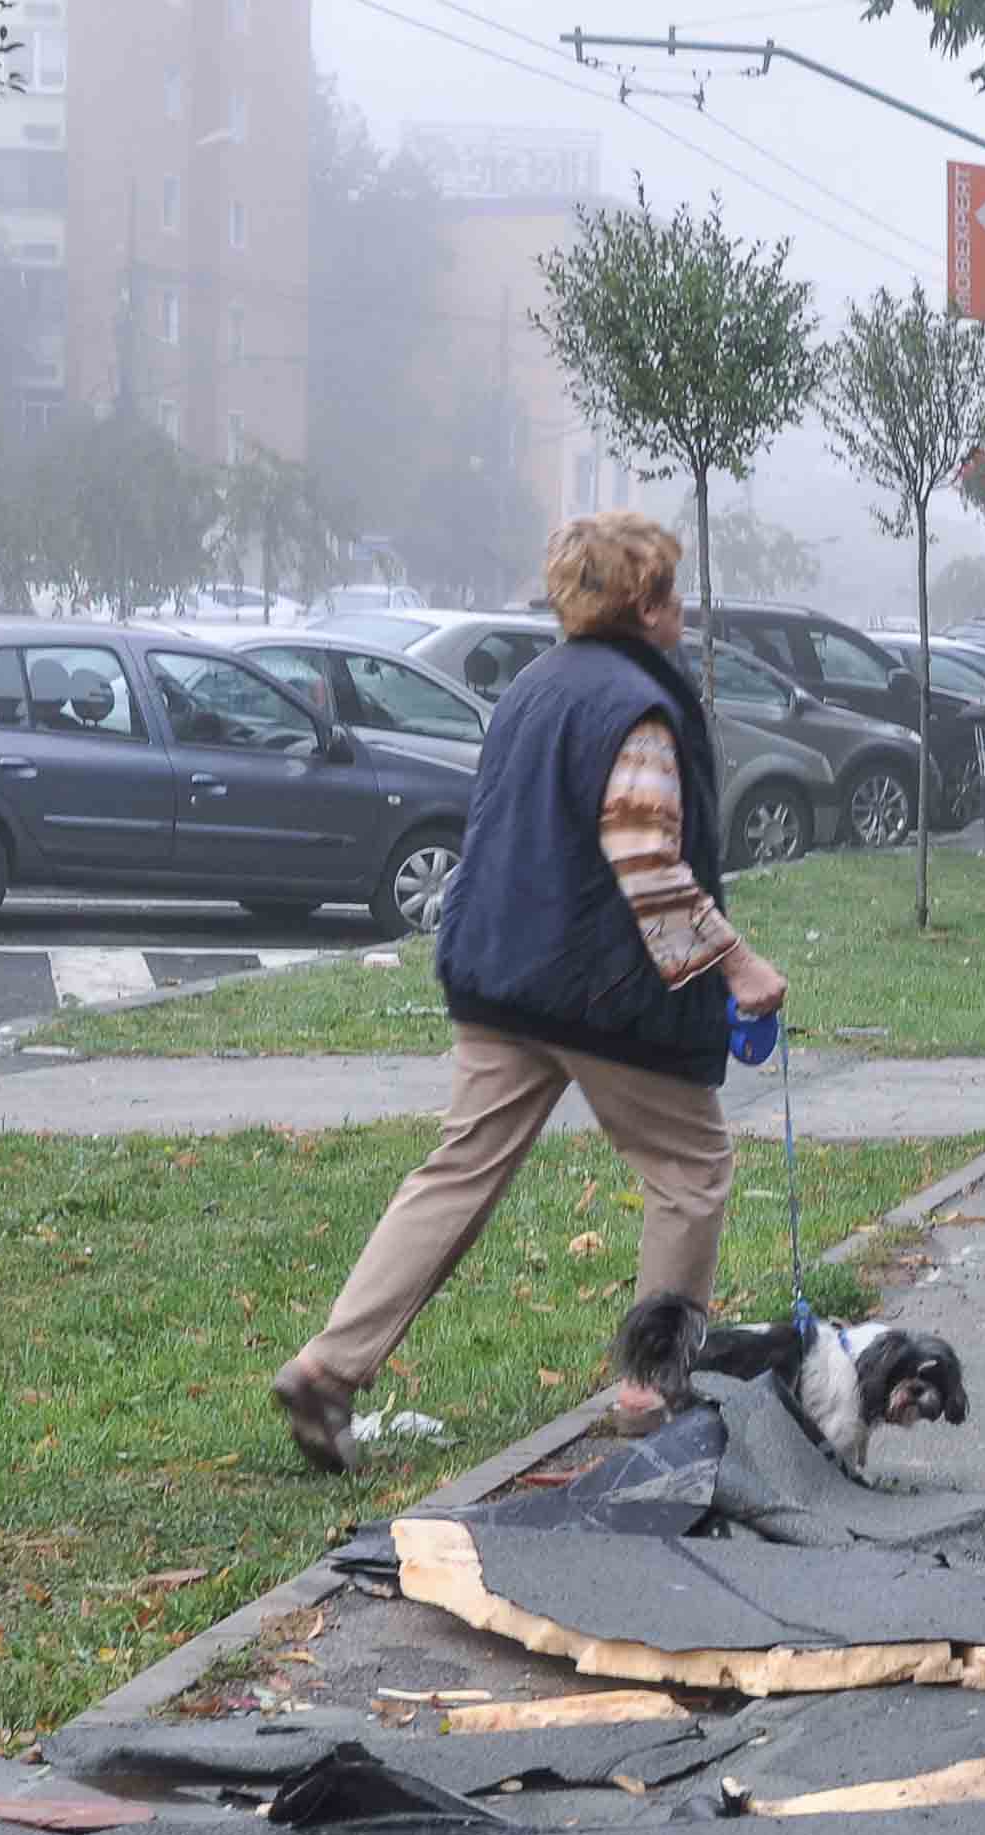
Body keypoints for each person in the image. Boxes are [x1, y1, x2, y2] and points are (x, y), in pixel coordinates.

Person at [269, 511, 787, 1473]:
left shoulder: (533, 688)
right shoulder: (637, 706)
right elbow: (647, 864)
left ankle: (329, 1368)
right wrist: (742, 967)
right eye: (672, 590)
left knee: (458, 1170)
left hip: (497, 973)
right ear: (644, 604)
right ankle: (651, 1388)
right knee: (691, 1171)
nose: (685, 607)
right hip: (598, 990)